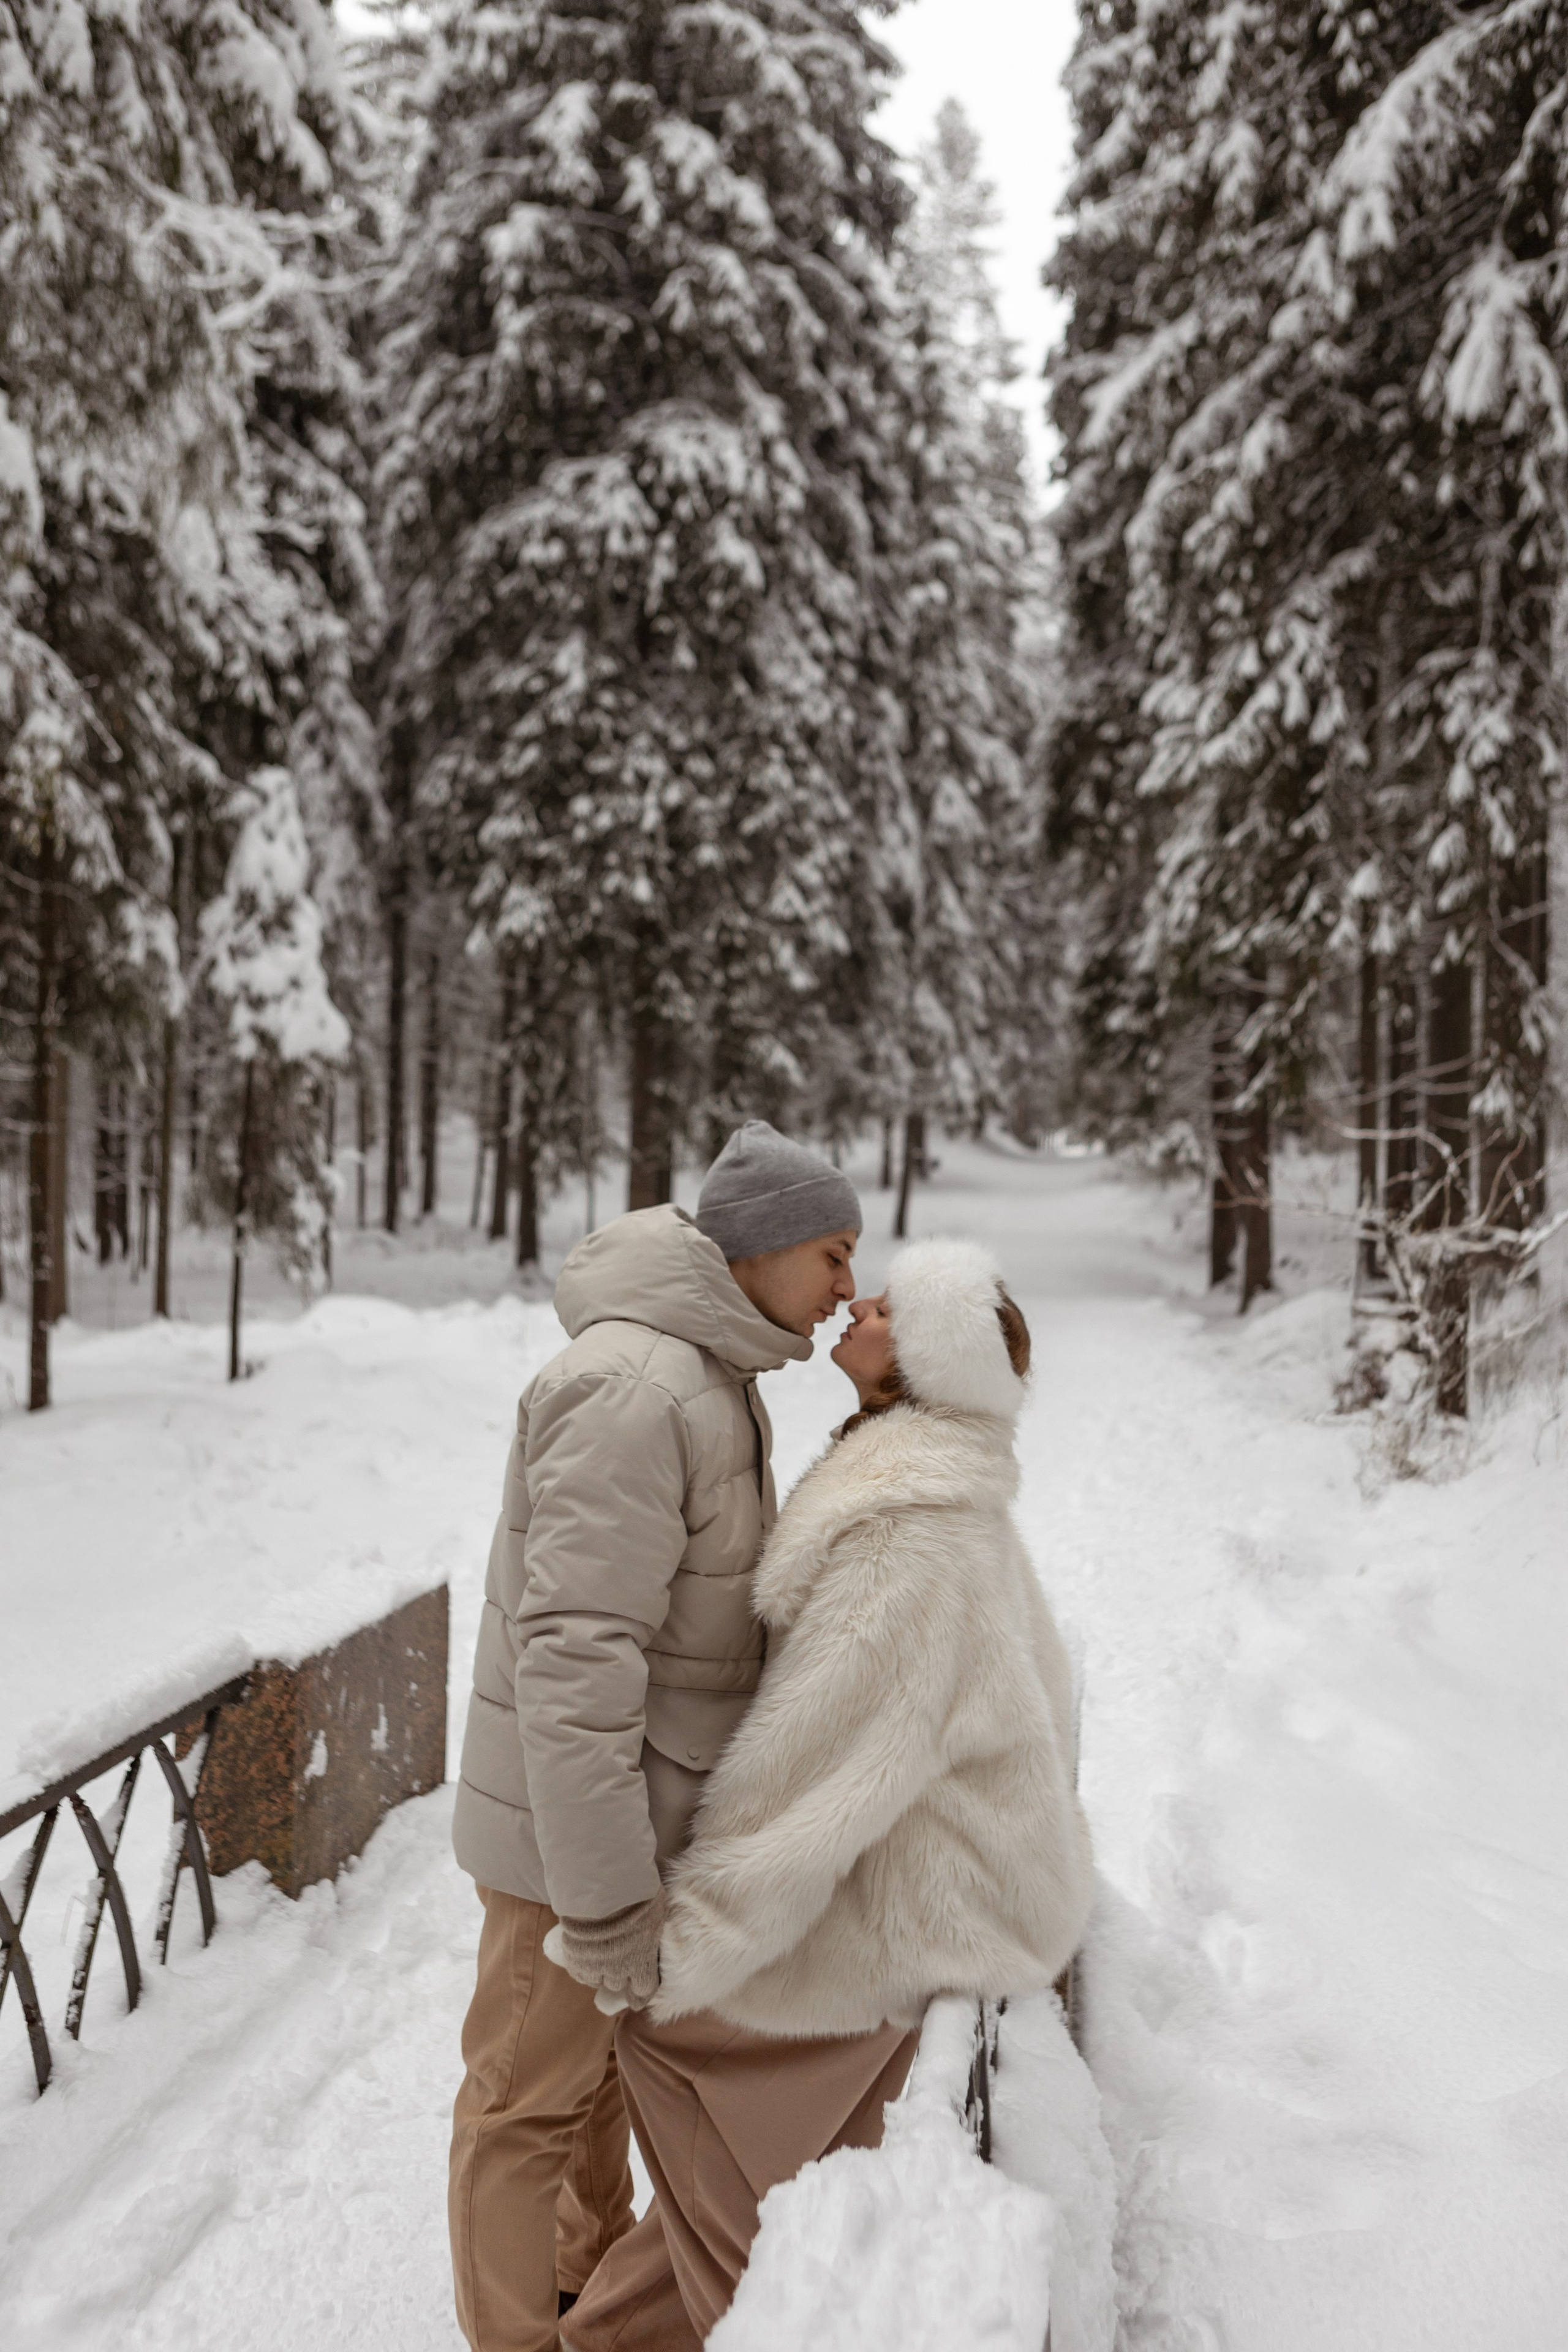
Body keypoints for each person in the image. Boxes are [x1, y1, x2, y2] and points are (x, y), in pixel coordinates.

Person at [563, 1237, 1093, 2351]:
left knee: (662, 2037)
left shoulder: (906, 1529)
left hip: (934, 1915)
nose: (858, 1304)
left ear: (928, 1364)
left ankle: (763, 2315)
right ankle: (612, 2336)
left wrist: (687, 1943)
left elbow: (816, 1779)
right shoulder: (925, 1483)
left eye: (892, 1309)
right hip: (961, 1875)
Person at [448, 1121, 861, 2352]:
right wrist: (607, 1905)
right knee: (522, 2107)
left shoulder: (708, 1374)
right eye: (833, 1254)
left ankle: (580, 2291)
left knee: (590, 2097)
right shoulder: (637, 1391)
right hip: (566, 1842)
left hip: (628, 1819)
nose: (846, 1286)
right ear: (764, 1249)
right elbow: (575, 1668)